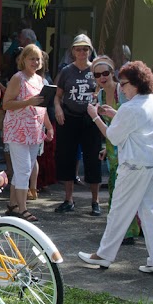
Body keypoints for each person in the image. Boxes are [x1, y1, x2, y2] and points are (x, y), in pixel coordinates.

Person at [77, 60, 153, 275]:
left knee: (118, 211)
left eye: (124, 84)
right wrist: (114, 115)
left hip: (135, 165)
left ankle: (104, 255)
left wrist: (96, 116)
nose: (122, 87)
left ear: (136, 84)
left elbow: (113, 137)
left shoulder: (130, 108)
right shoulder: (152, 100)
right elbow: (150, 125)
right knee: (152, 213)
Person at [2, 44, 55, 222]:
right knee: (24, 169)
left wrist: (49, 126)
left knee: (24, 169)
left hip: (34, 130)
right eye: (31, 58)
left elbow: (42, 107)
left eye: (38, 59)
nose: (35, 62)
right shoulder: (18, 78)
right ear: (23, 60)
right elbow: (6, 104)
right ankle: (23, 209)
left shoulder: (40, 80)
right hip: (18, 130)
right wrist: (28, 102)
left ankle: (12, 205)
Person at [93, 55, 141, 245]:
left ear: (112, 73)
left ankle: (126, 231)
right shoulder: (100, 96)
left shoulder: (122, 92)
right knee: (115, 187)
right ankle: (121, 229)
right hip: (114, 145)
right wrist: (105, 146)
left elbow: (129, 119)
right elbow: (110, 126)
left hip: (129, 144)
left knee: (124, 188)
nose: (102, 77)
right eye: (97, 74)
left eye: (106, 73)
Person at [52, 34, 102, 215]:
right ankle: (68, 199)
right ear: (73, 51)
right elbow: (57, 95)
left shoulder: (97, 69)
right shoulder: (66, 71)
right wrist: (58, 109)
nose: (82, 52)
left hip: (90, 119)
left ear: (90, 50)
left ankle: (95, 201)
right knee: (67, 157)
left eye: (85, 49)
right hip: (69, 117)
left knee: (93, 158)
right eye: (78, 48)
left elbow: (105, 90)